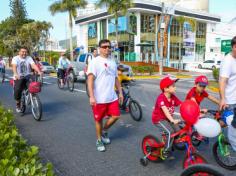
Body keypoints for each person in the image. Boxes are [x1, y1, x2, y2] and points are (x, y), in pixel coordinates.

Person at [87, 39, 123, 152]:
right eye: (104, 47)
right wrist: (92, 96)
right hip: (99, 98)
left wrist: (120, 92)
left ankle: (104, 131)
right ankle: (99, 140)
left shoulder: (112, 61)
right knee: (98, 120)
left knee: (116, 116)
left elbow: (116, 78)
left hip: (112, 96)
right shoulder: (95, 62)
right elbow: (90, 80)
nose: (107, 48)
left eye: (108, 46)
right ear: (99, 48)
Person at [152, 76, 182, 157]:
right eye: (173, 86)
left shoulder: (173, 97)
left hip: (167, 119)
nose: (175, 87)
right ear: (166, 89)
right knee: (170, 132)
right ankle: (166, 151)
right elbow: (165, 111)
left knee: (178, 130)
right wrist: (172, 120)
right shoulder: (161, 98)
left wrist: (192, 109)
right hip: (159, 119)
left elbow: (181, 105)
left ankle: (171, 143)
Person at [11, 47, 42, 113]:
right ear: (19, 52)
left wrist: (39, 71)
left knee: (33, 85)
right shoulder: (15, 58)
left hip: (27, 76)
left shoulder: (29, 58)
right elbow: (14, 66)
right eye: (22, 51)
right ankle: (18, 104)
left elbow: (33, 65)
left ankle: (31, 95)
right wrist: (16, 74)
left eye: (25, 52)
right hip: (19, 77)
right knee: (18, 90)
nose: (24, 53)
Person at [219, 36, 236, 151]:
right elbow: (222, 81)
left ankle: (210, 127)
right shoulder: (228, 61)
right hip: (230, 101)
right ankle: (202, 129)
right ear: (234, 47)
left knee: (225, 122)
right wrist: (223, 99)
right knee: (233, 131)